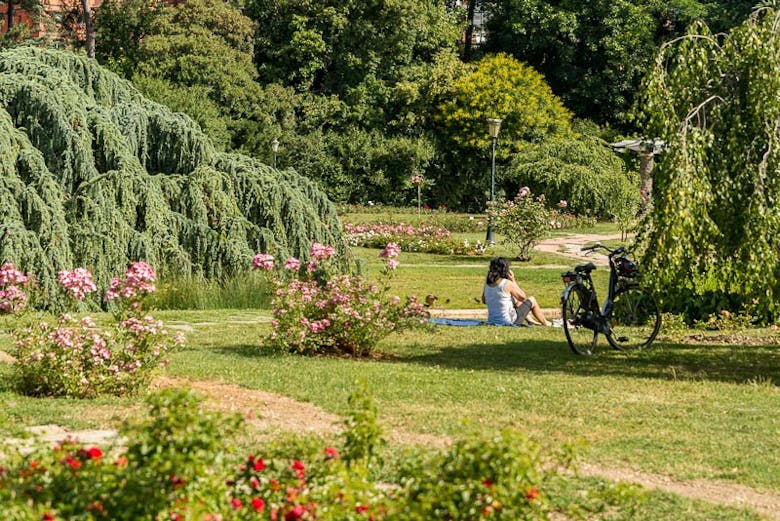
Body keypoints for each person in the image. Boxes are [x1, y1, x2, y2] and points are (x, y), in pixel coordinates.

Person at [481, 257, 552, 326]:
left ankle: (531, 321)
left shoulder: (487, 284)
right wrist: (513, 280)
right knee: (532, 300)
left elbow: (484, 300)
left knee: (516, 301)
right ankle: (546, 323)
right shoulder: (507, 283)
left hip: (492, 320)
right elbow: (522, 297)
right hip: (509, 321)